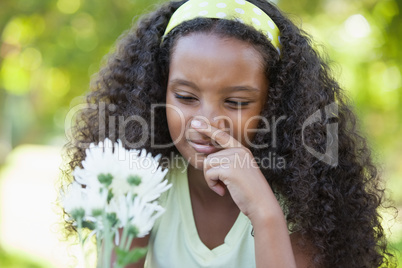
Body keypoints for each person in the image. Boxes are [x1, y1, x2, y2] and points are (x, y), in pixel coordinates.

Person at [62, 0, 396, 267]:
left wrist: (265, 212)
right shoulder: (142, 184)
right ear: (158, 90)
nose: (206, 123)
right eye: (185, 97)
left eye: (236, 101)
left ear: (275, 104)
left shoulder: (305, 200)